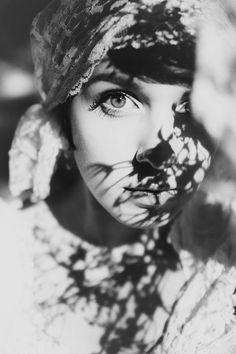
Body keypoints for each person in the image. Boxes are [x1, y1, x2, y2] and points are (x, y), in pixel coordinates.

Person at [4, 0, 236, 353]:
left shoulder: (226, 263)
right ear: (63, 116)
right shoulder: (9, 250)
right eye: (118, 100)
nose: (161, 155)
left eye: (191, 106)